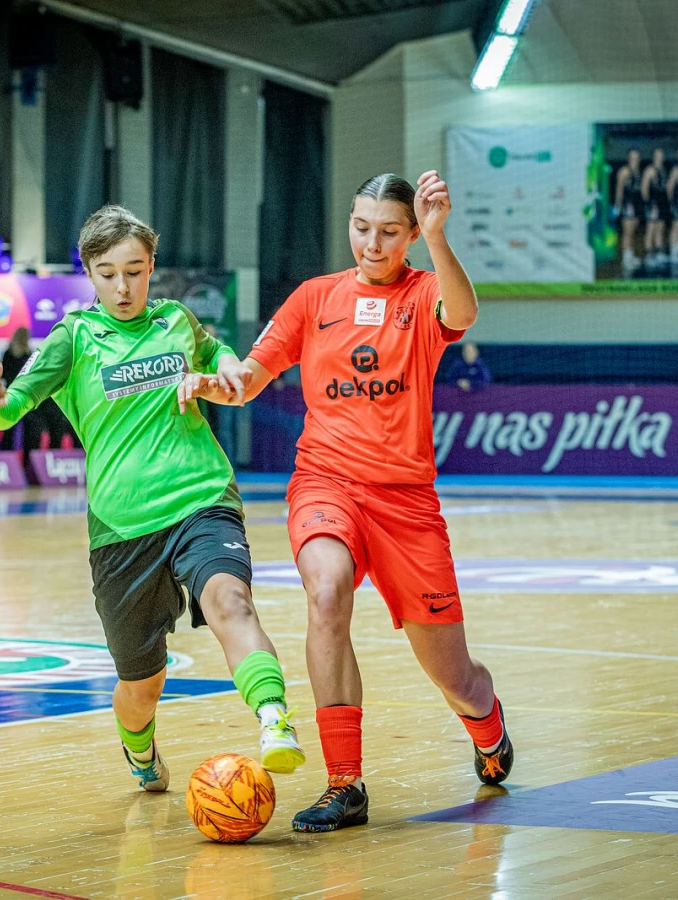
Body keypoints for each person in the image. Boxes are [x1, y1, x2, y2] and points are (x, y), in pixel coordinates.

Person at [188, 171, 512, 833]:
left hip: (407, 505)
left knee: (453, 675)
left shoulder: (423, 293)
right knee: (327, 591)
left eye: (389, 231)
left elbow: (464, 315)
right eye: (361, 227)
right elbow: (249, 377)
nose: (371, 243)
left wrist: (441, 237)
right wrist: (216, 384)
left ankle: (488, 727)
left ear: (411, 234)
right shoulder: (315, 297)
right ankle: (345, 783)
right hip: (325, 482)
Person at [0, 204, 305, 793]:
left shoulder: (176, 320)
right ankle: (141, 748)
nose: (122, 287)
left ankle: (274, 720)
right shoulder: (73, 338)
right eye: (107, 274)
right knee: (142, 683)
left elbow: (218, 355)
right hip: (122, 528)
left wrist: (229, 367)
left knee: (231, 602)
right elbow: (9, 409)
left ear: (152, 267)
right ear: (89, 274)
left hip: (201, 495)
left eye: (134, 271)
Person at [614, 148, 643, 273]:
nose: (635, 160)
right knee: (627, 233)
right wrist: (618, 206)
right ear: (628, 159)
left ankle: (630, 256)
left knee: (633, 232)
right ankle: (625, 260)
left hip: (635, 206)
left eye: (637, 158)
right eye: (632, 158)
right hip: (627, 206)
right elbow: (619, 189)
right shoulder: (624, 172)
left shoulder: (638, 173)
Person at [640, 148, 669, 271]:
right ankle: (649, 255)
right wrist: (649, 205)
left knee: (660, 228)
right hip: (652, 205)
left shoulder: (663, 170)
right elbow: (644, 189)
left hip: (661, 203)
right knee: (651, 228)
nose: (659, 158)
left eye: (661, 156)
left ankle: (658, 253)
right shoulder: (649, 171)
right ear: (653, 157)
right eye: (657, 156)